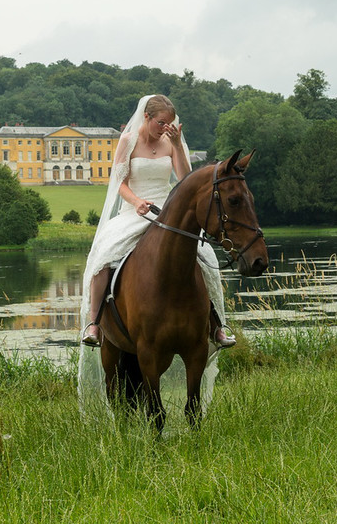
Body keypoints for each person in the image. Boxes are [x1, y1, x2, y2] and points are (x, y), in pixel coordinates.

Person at [79, 94, 234, 349]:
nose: (165, 128)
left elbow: (185, 179)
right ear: (147, 117)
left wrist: (177, 145)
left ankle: (216, 324)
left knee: (206, 257)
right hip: (135, 210)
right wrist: (137, 202)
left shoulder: (169, 142)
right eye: (161, 123)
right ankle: (95, 322)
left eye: (170, 124)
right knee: (104, 256)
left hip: (168, 210)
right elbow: (120, 182)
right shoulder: (128, 141)